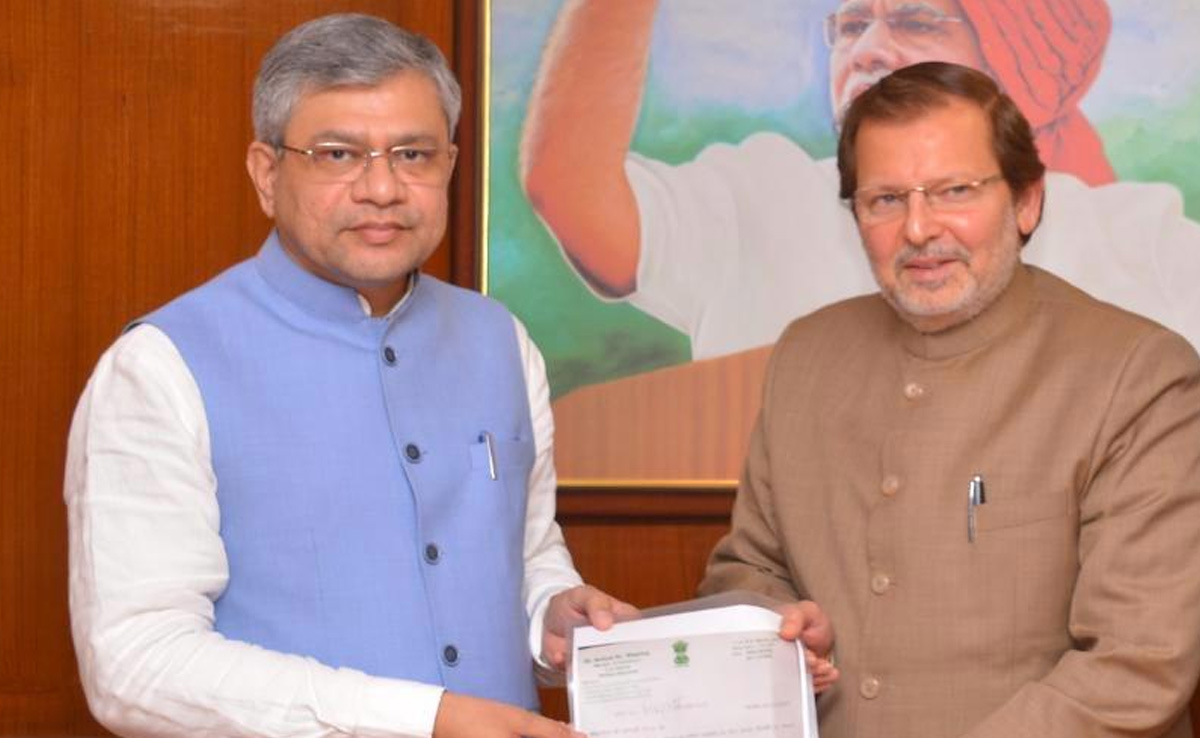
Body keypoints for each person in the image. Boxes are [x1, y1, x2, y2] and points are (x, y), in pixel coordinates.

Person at [65, 14, 635, 738]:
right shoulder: (160, 366)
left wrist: (548, 616)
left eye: (412, 154)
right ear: (267, 173)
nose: (382, 188)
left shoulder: (502, 340)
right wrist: (422, 718)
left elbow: (525, 553)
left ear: (450, 165)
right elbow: (136, 666)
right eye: (338, 154)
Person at [698, 61, 1200, 737]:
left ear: (1027, 201)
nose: (917, 229)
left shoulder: (1138, 375)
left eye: (954, 191)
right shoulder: (805, 355)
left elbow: (1138, 664)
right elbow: (748, 567)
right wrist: (776, 628)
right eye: (885, 200)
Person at [521, 0, 1200, 362]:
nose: (868, 49)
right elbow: (572, 191)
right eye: (850, 26)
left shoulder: (1147, 243)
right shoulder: (765, 196)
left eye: (916, 21)